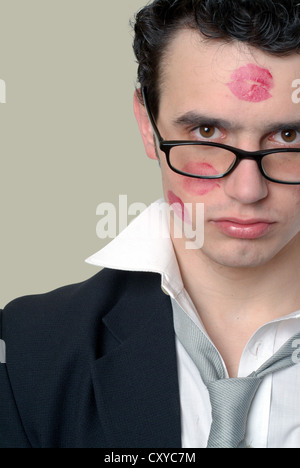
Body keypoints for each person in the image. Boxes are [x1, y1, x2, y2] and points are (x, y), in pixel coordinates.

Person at [2, 0, 300, 449]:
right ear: (147, 124)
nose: (247, 190)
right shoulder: (26, 352)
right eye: (206, 133)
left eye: (289, 136)